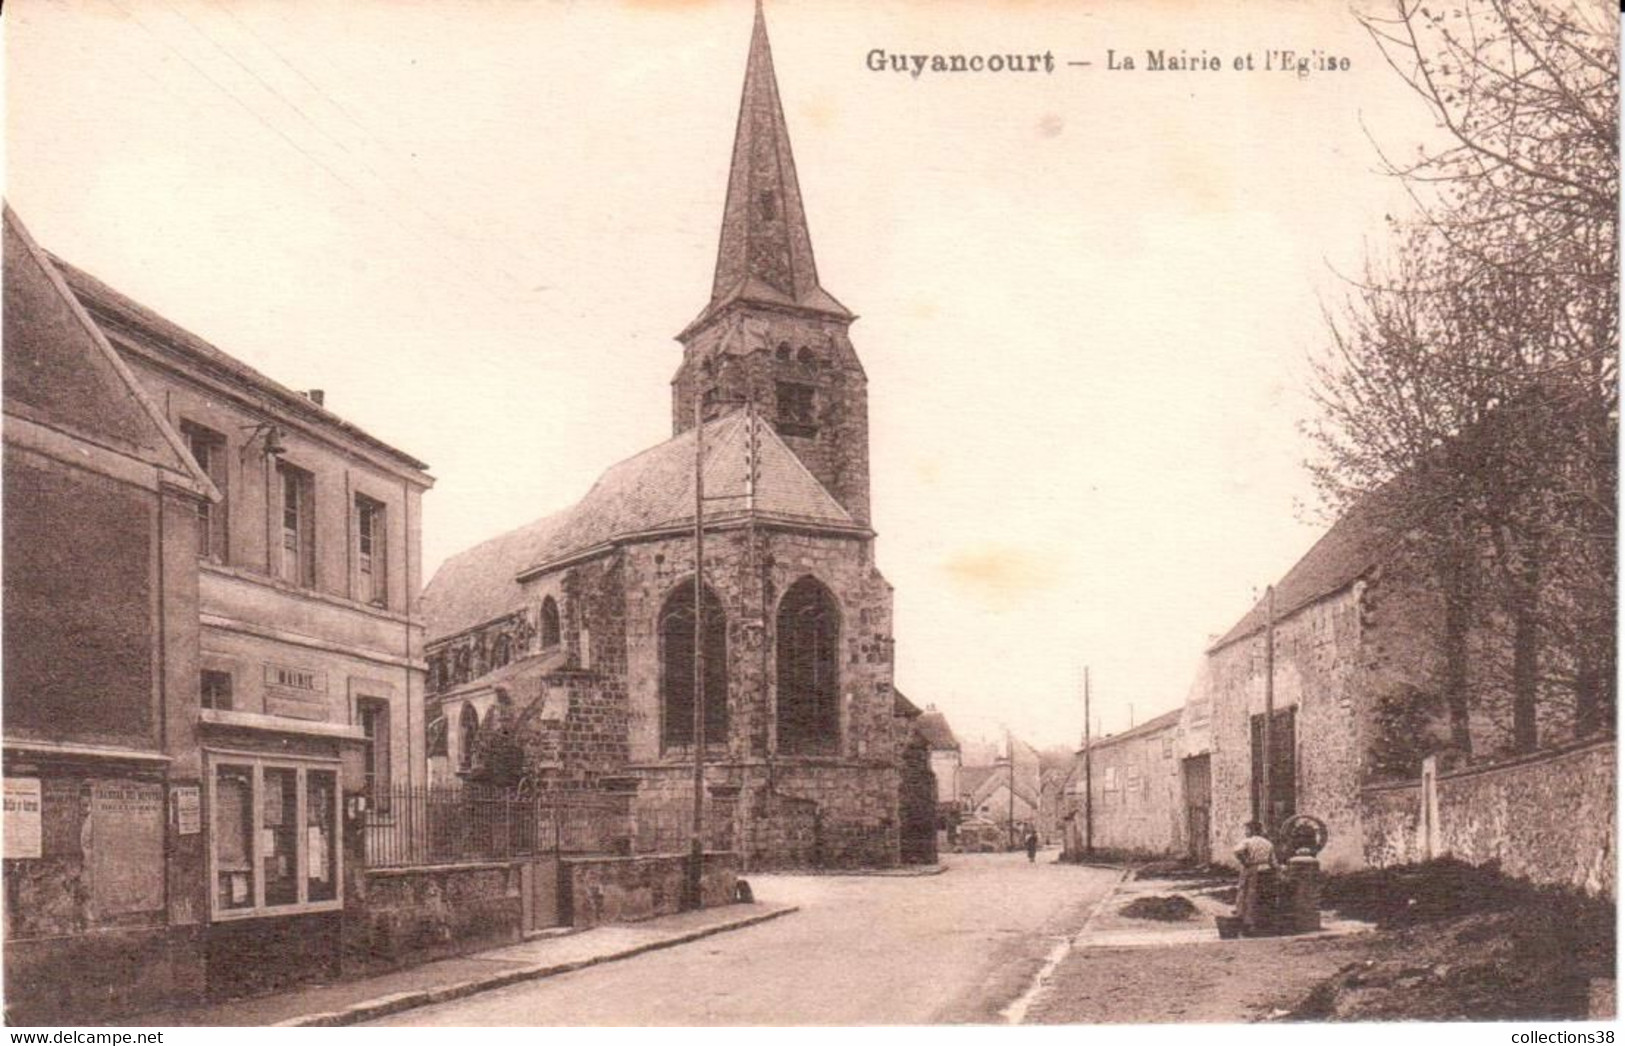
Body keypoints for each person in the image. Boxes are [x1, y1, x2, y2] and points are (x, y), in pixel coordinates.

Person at [1233, 820, 1277, 936]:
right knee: (1264, 896)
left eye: (1247, 829)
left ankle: (1248, 923)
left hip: (1252, 869)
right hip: (1266, 871)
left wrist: (1245, 861)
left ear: (1252, 830)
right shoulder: (1268, 843)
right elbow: (1273, 862)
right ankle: (1263, 923)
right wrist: (1278, 870)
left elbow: (1237, 851)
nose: (1245, 832)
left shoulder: (1248, 841)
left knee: (1248, 895)